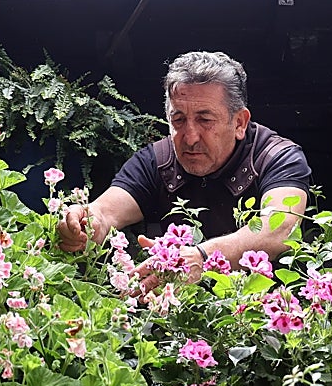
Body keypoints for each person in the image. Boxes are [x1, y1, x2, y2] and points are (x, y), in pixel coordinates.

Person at [57, 51, 312, 279]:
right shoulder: (156, 160)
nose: (190, 137)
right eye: (178, 120)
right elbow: (106, 211)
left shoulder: (278, 157)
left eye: (205, 119)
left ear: (239, 123)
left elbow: (279, 229)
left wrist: (203, 257)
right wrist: (83, 225)